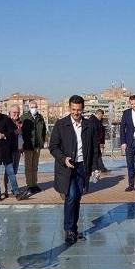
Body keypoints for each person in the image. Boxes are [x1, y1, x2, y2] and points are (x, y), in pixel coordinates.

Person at [49, 95, 100, 244]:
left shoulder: (89, 125)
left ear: (82, 109)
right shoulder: (61, 124)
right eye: (73, 109)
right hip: (66, 168)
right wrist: (63, 158)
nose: (76, 112)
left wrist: (95, 167)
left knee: (77, 197)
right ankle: (69, 230)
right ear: (69, 108)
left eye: (78, 110)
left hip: (82, 167)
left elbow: (94, 148)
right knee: (71, 196)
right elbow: (53, 146)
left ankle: (74, 228)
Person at [21, 100, 46, 194]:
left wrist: (42, 142)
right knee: (28, 167)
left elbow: (43, 131)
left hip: (37, 146)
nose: (34, 108)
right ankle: (29, 185)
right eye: (32, 107)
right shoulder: (24, 117)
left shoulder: (40, 117)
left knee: (35, 166)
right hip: (28, 146)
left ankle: (34, 184)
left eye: (35, 106)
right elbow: (21, 132)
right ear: (29, 107)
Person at [4, 105, 26, 198]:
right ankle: (9, 190)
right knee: (9, 171)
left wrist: (22, 147)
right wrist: (15, 132)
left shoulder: (20, 122)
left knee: (15, 170)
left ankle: (12, 188)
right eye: (14, 112)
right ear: (10, 112)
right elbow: (4, 134)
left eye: (18, 112)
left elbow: (21, 136)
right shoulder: (6, 122)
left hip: (18, 149)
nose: (16, 114)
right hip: (9, 149)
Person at [88, 109, 109, 173]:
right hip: (94, 142)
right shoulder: (93, 121)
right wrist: (97, 141)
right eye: (101, 116)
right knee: (95, 155)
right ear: (98, 114)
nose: (102, 118)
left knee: (98, 155)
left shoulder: (96, 121)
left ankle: (101, 168)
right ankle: (94, 169)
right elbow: (94, 133)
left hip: (96, 142)